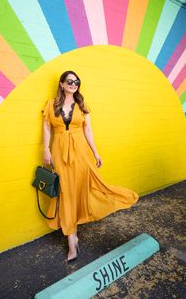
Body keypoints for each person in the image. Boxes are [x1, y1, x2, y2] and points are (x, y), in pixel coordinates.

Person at [42, 71, 138, 262]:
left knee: (84, 190)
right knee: (66, 194)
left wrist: (95, 152)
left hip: (81, 153)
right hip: (60, 154)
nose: (73, 84)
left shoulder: (82, 105)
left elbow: (88, 129)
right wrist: (46, 149)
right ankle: (72, 241)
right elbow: (46, 127)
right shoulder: (51, 104)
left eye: (76, 81)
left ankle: (77, 231)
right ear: (61, 84)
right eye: (69, 81)